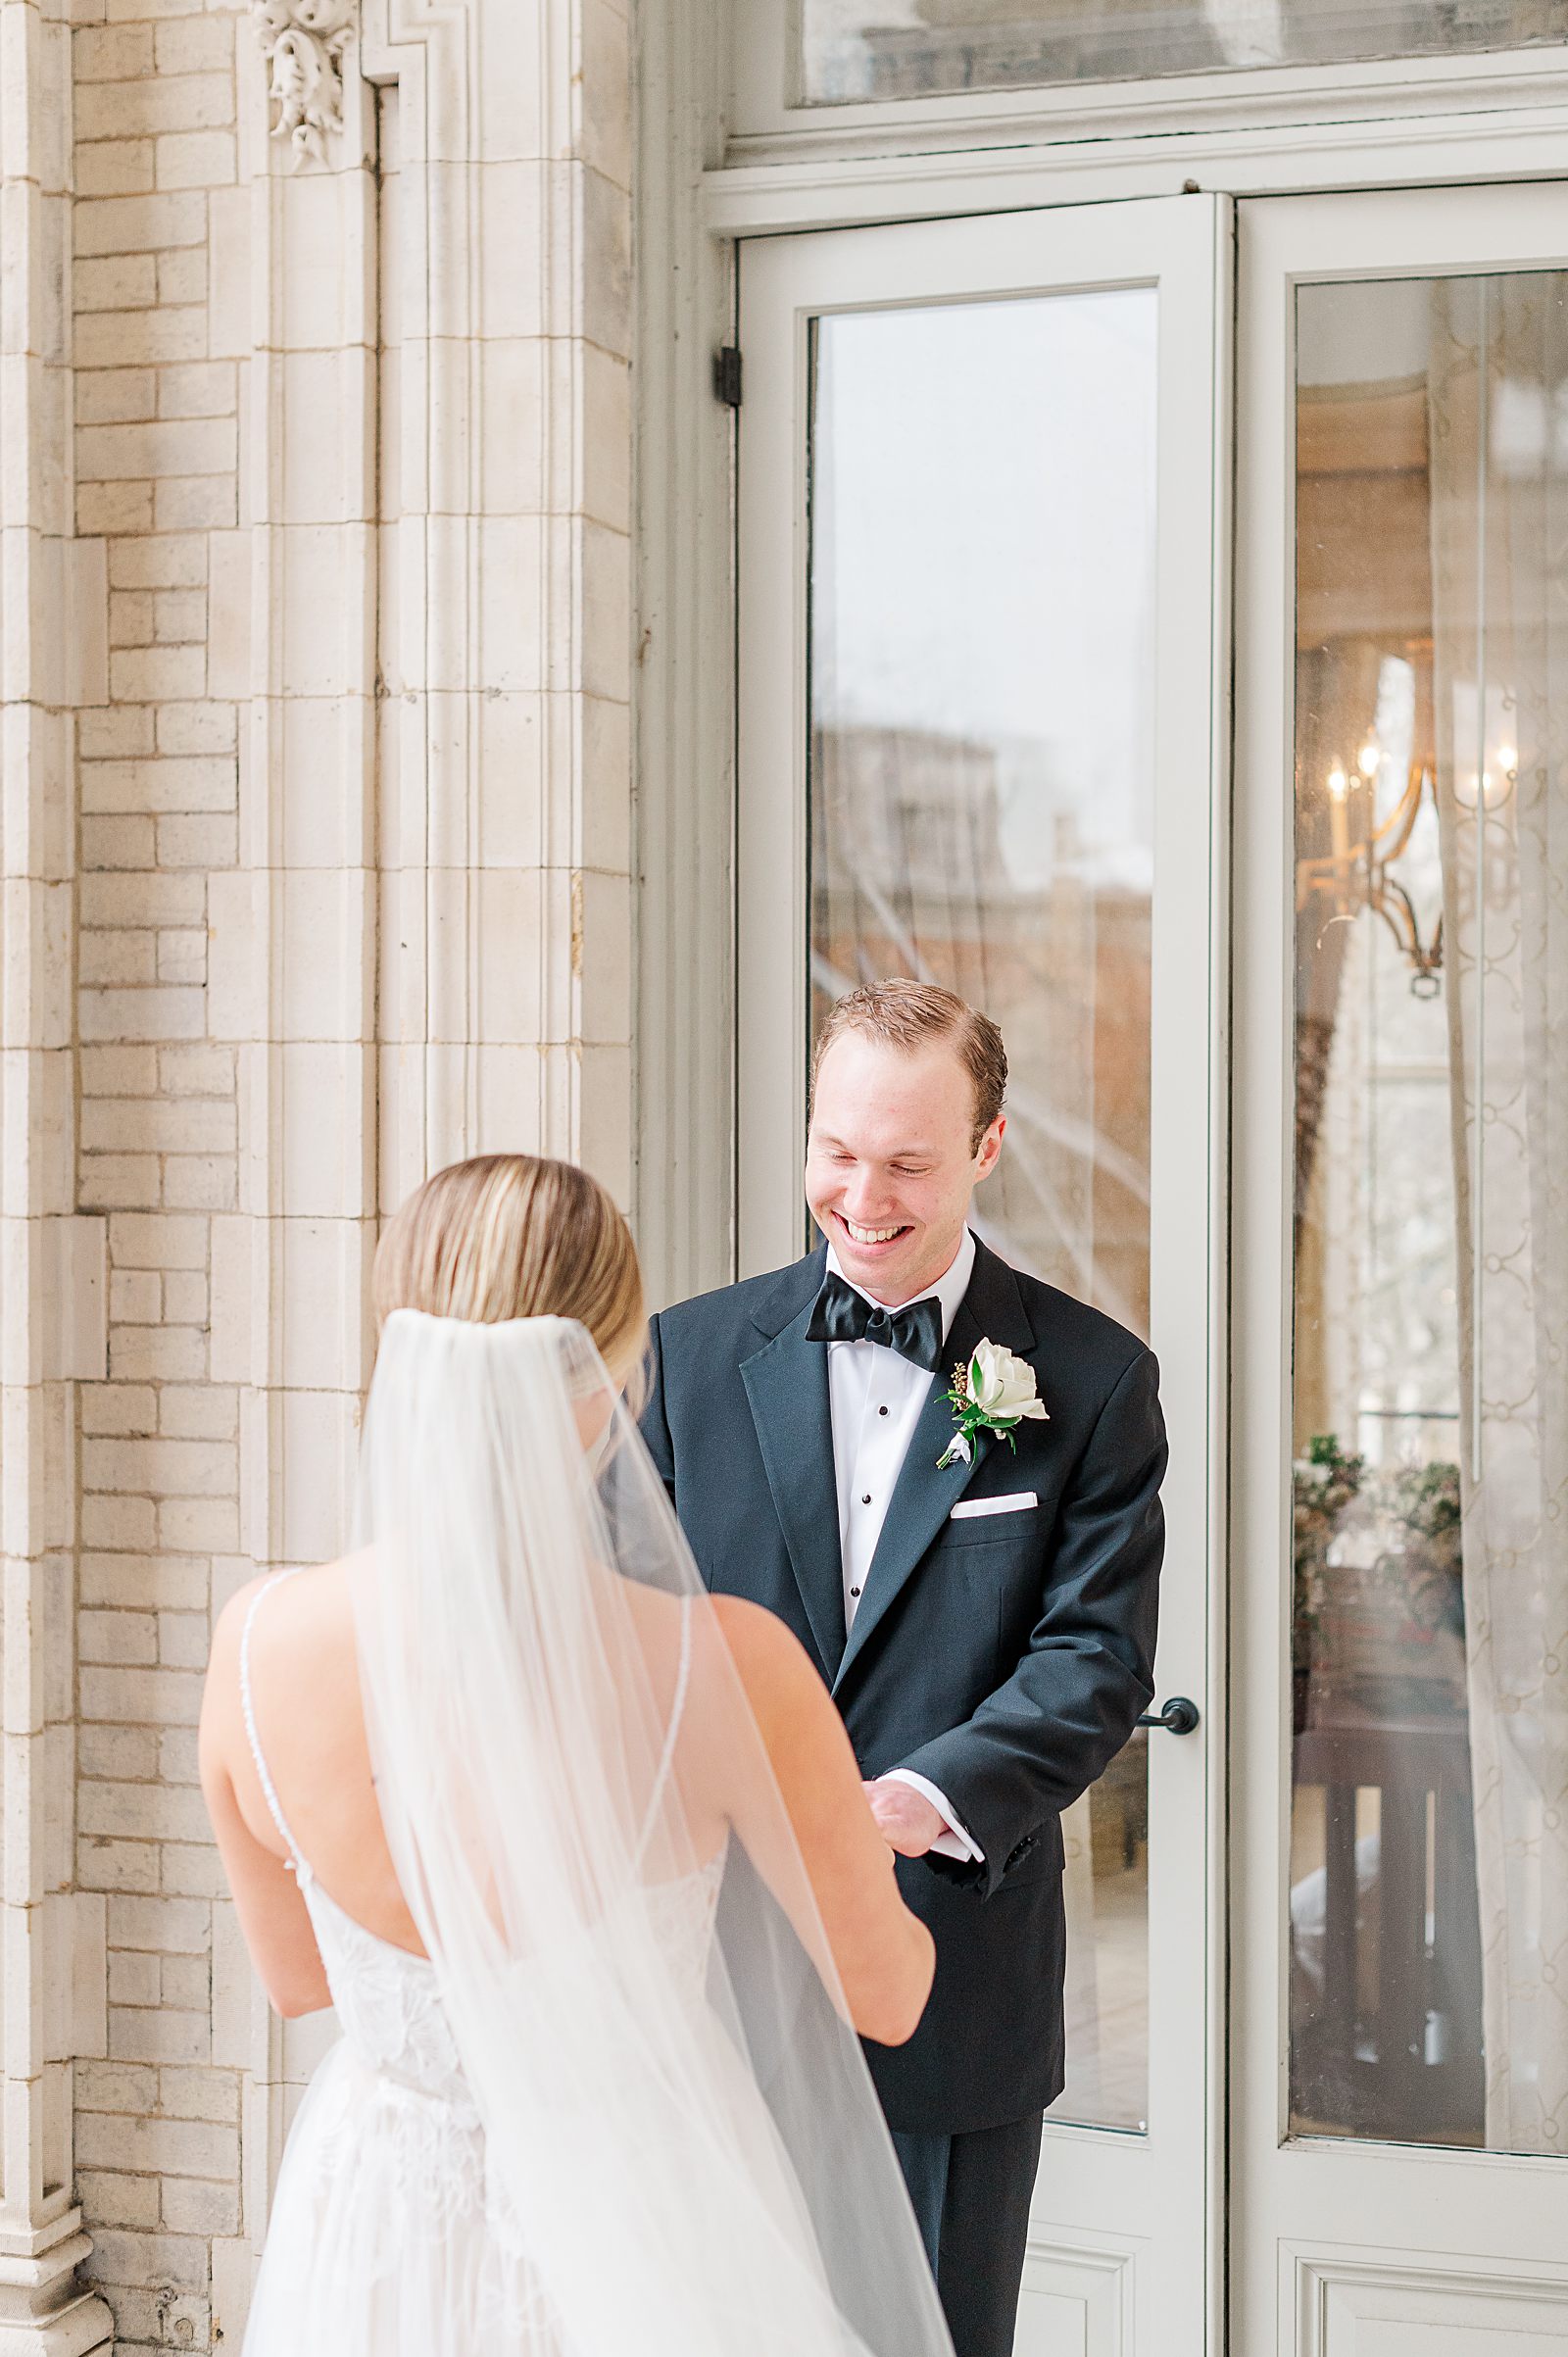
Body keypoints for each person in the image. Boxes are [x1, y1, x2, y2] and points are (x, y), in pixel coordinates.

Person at [200, 1154, 955, 2357]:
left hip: (381, 2218)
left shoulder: (254, 1647)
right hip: (644, 2206)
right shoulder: (728, 1668)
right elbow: (889, 1992)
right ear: (614, 1380)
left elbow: (299, 1980)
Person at [642, 979, 1168, 2357]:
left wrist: (908, 1803)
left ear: (989, 1148)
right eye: (837, 1151)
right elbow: (621, 1629)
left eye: (909, 1163)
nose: (861, 1196)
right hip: (719, 1974)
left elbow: (1094, 1659)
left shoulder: (1096, 1380)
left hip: (958, 1975)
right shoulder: (687, 1359)